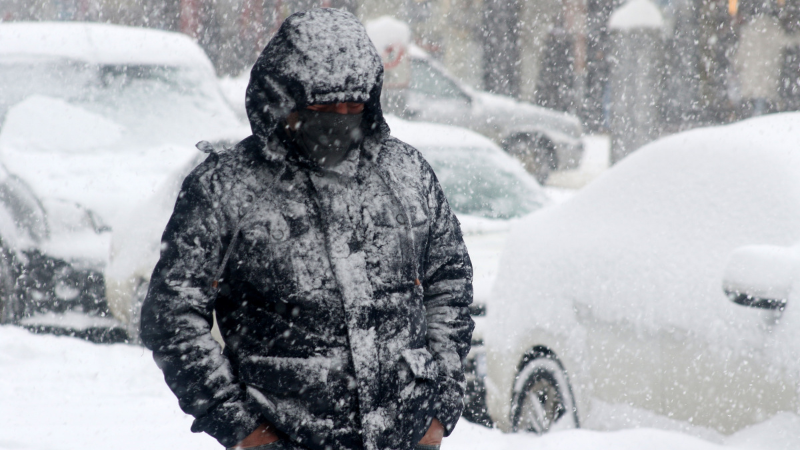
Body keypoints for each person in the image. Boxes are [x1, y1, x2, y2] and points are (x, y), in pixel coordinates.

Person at [140, 8, 474, 450]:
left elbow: (449, 282)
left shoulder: (405, 173)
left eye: (352, 106)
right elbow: (172, 316)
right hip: (287, 436)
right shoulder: (227, 188)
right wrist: (241, 427)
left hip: (404, 435)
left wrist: (439, 406)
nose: (340, 118)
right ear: (283, 101)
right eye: (323, 108)